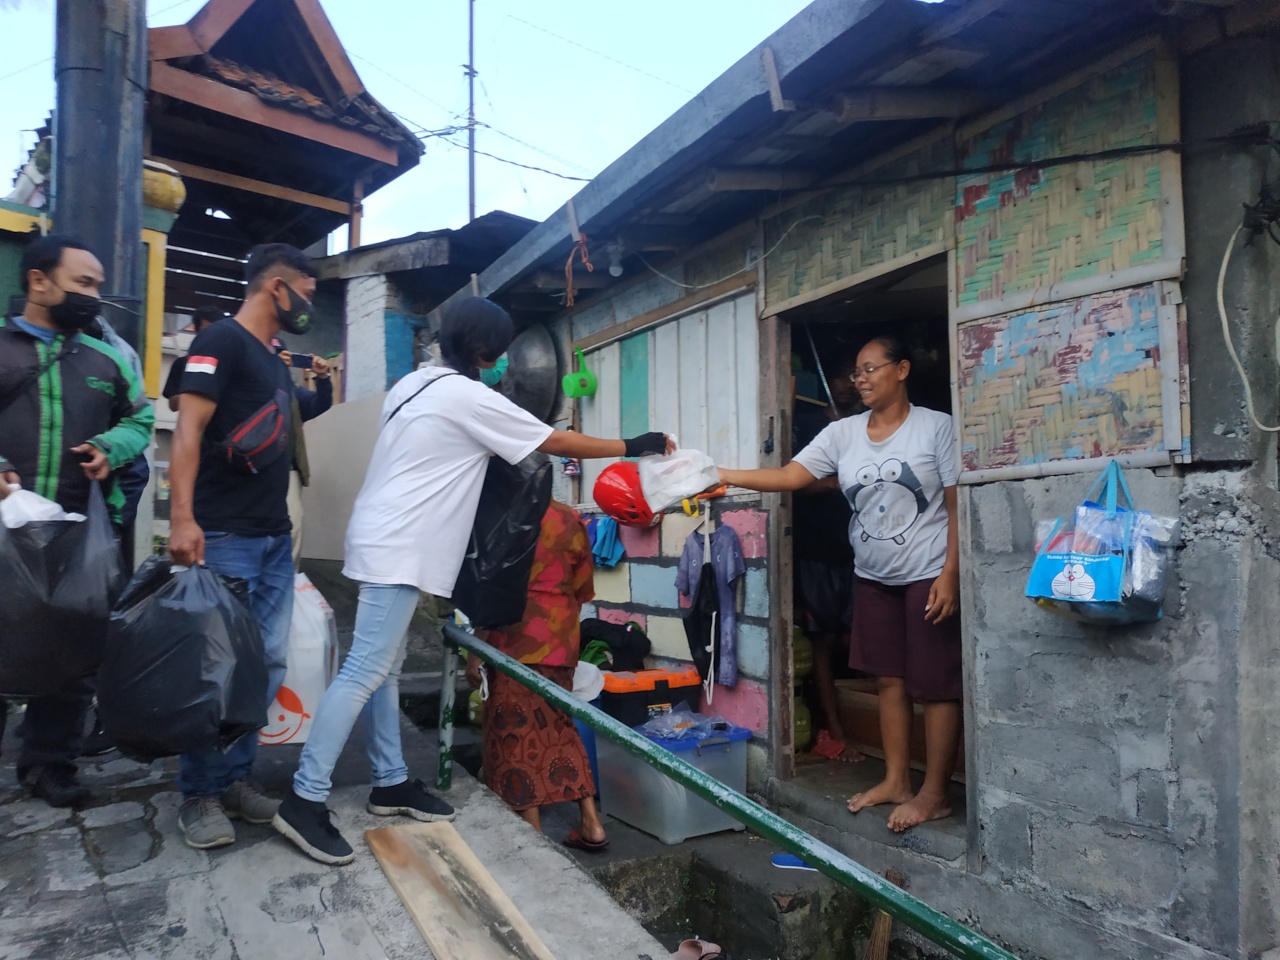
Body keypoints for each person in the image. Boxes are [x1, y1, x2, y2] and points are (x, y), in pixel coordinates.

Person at [273, 296, 672, 865]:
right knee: (364, 669)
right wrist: (633, 447)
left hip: (380, 535)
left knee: (380, 670)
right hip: (401, 547)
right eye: (500, 353)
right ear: (486, 352)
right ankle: (304, 799)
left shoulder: (414, 384)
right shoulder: (466, 395)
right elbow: (550, 441)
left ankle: (390, 781)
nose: (503, 364)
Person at [719, 335, 960, 832]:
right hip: (872, 574)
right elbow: (789, 477)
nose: (862, 379)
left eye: (872, 368)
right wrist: (716, 474)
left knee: (936, 688)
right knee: (888, 680)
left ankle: (933, 793)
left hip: (927, 571)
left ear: (902, 369)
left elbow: (959, 507)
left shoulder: (936, 428)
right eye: (857, 372)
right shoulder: (843, 434)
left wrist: (951, 573)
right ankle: (896, 780)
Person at [167, 243, 318, 849]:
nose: (310, 303)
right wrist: (182, 518)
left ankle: (235, 780)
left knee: (263, 667)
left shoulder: (275, 361)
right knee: (215, 673)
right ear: (276, 288)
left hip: (272, 540)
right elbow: (188, 429)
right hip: (222, 535)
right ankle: (199, 793)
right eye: (306, 290)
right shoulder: (221, 342)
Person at [0, 234, 155, 807]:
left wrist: (111, 447)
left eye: (96, 285)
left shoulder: (106, 357)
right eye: (83, 283)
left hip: (73, 534)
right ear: (39, 280)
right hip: (3, 534)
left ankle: (49, 766)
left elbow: (141, 420)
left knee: (69, 652)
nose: (93, 296)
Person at [465, 500, 608, 850]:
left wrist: (474, 652)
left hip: (514, 640)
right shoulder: (568, 516)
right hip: (560, 639)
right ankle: (591, 823)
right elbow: (583, 585)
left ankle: (533, 837)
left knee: (516, 735)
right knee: (558, 725)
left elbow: (491, 593)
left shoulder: (499, 515)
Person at [792, 353, 863, 760]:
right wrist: (836, 482)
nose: (851, 383)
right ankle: (832, 730)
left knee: (852, 638)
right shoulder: (809, 423)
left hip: (855, 547)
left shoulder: (864, 428)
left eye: (856, 375)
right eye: (844, 375)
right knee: (824, 640)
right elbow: (793, 484)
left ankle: (850, 723)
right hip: (815, 549)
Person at [273, 340, 332, 567]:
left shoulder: (292, 392)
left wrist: (323, 378)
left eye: (283, 354)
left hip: (287, 472)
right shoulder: (249, 384)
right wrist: (271, 369)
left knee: (293, 531)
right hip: (252, 472)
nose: (280, 358)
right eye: (273, 354)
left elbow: (320, 404)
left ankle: (290, 587)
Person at [162, 305, 225, 413]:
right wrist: (197, 392)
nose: (210, 336)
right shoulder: (182, 364)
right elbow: (173, 405)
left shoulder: (230, 363)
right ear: (196, 331)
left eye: (215, 331)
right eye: (205, 331)